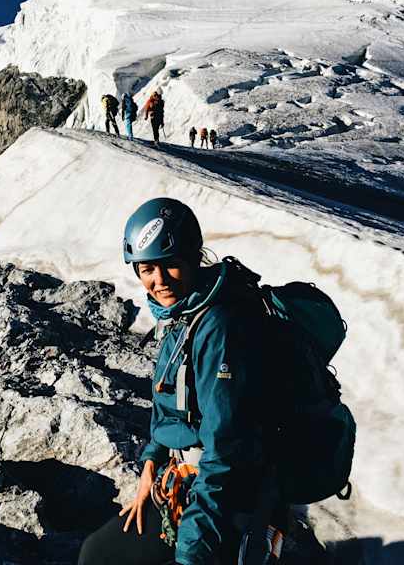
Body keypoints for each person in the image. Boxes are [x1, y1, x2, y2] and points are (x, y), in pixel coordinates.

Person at [78, 197, 290, 565]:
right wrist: (151, 460)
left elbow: (224, 450)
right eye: (146, 269)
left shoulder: (218, 327)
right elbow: (174, 408)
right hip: (187, 481)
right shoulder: (185, 314)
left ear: (194, 256)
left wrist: (191, 552)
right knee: (98, 554)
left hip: (229, 496)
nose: (157, 281)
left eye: (170, 266)